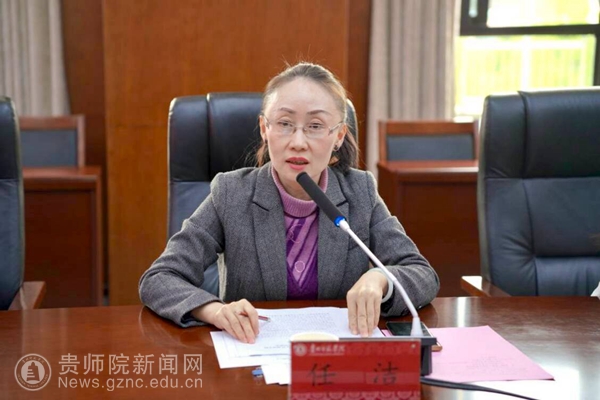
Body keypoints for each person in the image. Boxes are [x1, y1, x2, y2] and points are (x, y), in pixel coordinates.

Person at [139, 62, 439, 343]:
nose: (298, 142)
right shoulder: (231, 193)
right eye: (284, 123)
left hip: (335, 359)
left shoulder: (360, 191)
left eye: (315, 126)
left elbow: (422, 273)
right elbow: (160, 278)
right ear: (264, 129)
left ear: (338, 136)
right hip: (252, 356)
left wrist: (380, 278)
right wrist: (214, 310)